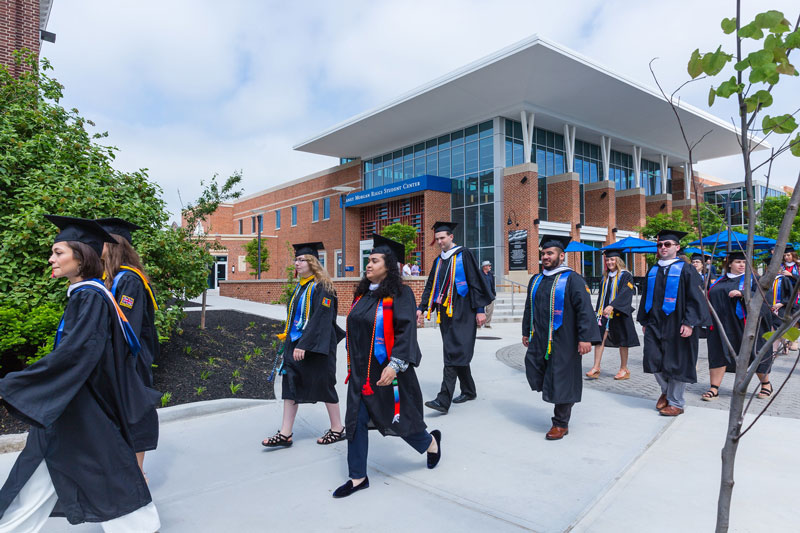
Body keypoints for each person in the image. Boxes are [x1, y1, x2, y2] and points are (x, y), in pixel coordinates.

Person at [0, 215, 160, 532]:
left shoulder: (90, 296)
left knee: (64, 466)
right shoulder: (91, 294)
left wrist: (14, 384)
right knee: (78, 466)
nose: (51, 258)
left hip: (82, 404)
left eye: (58, 252)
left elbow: (77, 353)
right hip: (82, 403)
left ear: (81, 254)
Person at [333, 235, 441, 498]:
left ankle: (431, 444)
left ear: (389, 265)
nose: (368, 265)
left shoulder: (400, 294)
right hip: (360, 374)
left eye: (374, 260)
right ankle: (358, 477)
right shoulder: (362, 294)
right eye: (368, 261)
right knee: (355, 422)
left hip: (389, 373)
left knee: (400, 421)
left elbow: (406, 332)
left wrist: (395, 364)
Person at [262, 242, 347, 448]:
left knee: (325, 385)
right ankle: (285, 433)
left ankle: (338, 428)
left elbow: (321, 319)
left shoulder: (323, 287)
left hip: (317, 347)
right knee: (291, 384)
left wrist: (304, 345)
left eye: (301, 260)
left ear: (313, 262)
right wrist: (290, 342)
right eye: (296, 259)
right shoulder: (301, 286)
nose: (297, 263)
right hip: (296, 343)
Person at [97, 217, 160, 477]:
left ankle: (138, 475)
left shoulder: (129, 280)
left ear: (113, 245)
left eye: (99, 241)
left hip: (131, 359)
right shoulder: (112, 278)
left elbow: (127, 327)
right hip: (120, 358)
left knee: (135, 413)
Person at [522, 235, 600, 440]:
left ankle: (560, 423)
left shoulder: (572, 279)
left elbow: (585, 309)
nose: (545, 257)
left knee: (562, 378)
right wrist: (526, 331)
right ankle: (555, 399)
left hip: (565, 339)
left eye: (550, 253)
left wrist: (585, 338)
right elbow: (529, 307)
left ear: (561, 255)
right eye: (543, 253)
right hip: (540, 338)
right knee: (535, 366)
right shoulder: (537, 279)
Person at [417, 222, 494, 413]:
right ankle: (469, 390)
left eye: (443, 237)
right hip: (446, 313)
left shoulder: (463, 255)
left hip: (464, 311)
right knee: (455, 351)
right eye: (438, 238)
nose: (440, 241)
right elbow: (430, 286)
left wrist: (480, 310)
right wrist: (422, 307)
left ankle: (443, 400)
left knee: (452, 352)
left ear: (451, 237)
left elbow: (475, 282)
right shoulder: (439, 261)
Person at [636, 229, 709, 416]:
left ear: (677, 247)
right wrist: (644, 319)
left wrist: (690, 322)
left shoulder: (686, 269)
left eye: (667, 244)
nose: (663, 248)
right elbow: (645, 297)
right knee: (653, 358)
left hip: (678, 323)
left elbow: (695, 298)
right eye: (660, 244)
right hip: (654, 323)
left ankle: (676, 402)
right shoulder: (653, 270)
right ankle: (666, 392)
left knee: (677, 362)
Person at [703, 251, 773, 401]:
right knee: (717, 353)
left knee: (755, 353)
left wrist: (743, 293)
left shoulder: (754, 280)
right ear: (729, 264)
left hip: (745, 324)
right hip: (721, 324)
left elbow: (765, 297)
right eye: (738, 262)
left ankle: (766, 384)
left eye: (744, 262)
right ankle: (714, 388)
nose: (742, 265)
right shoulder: (719, 281)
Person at [585, 250, 639, 381]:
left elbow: (626, 292)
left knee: (623, 341)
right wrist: (598, 311)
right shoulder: (606, 276)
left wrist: (613, 305)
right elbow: (601, 296)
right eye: (607, 260)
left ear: (618, 261)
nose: (609, 262)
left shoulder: (626, 276)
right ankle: (596, 367)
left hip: (619, 312)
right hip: (604, 312)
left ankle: (624, 369)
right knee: (600, 338)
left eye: (612, 260)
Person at [480, 261, 496, 328]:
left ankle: (487, 324)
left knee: (490, 310)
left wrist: (493, 293)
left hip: (490, 295)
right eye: (489, 266)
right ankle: (479, 323)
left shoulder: (490, 274)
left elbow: (492, 284)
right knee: (480, 310)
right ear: (484, 267)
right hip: (482, 295)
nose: (490, 267)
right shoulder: (479, 274)